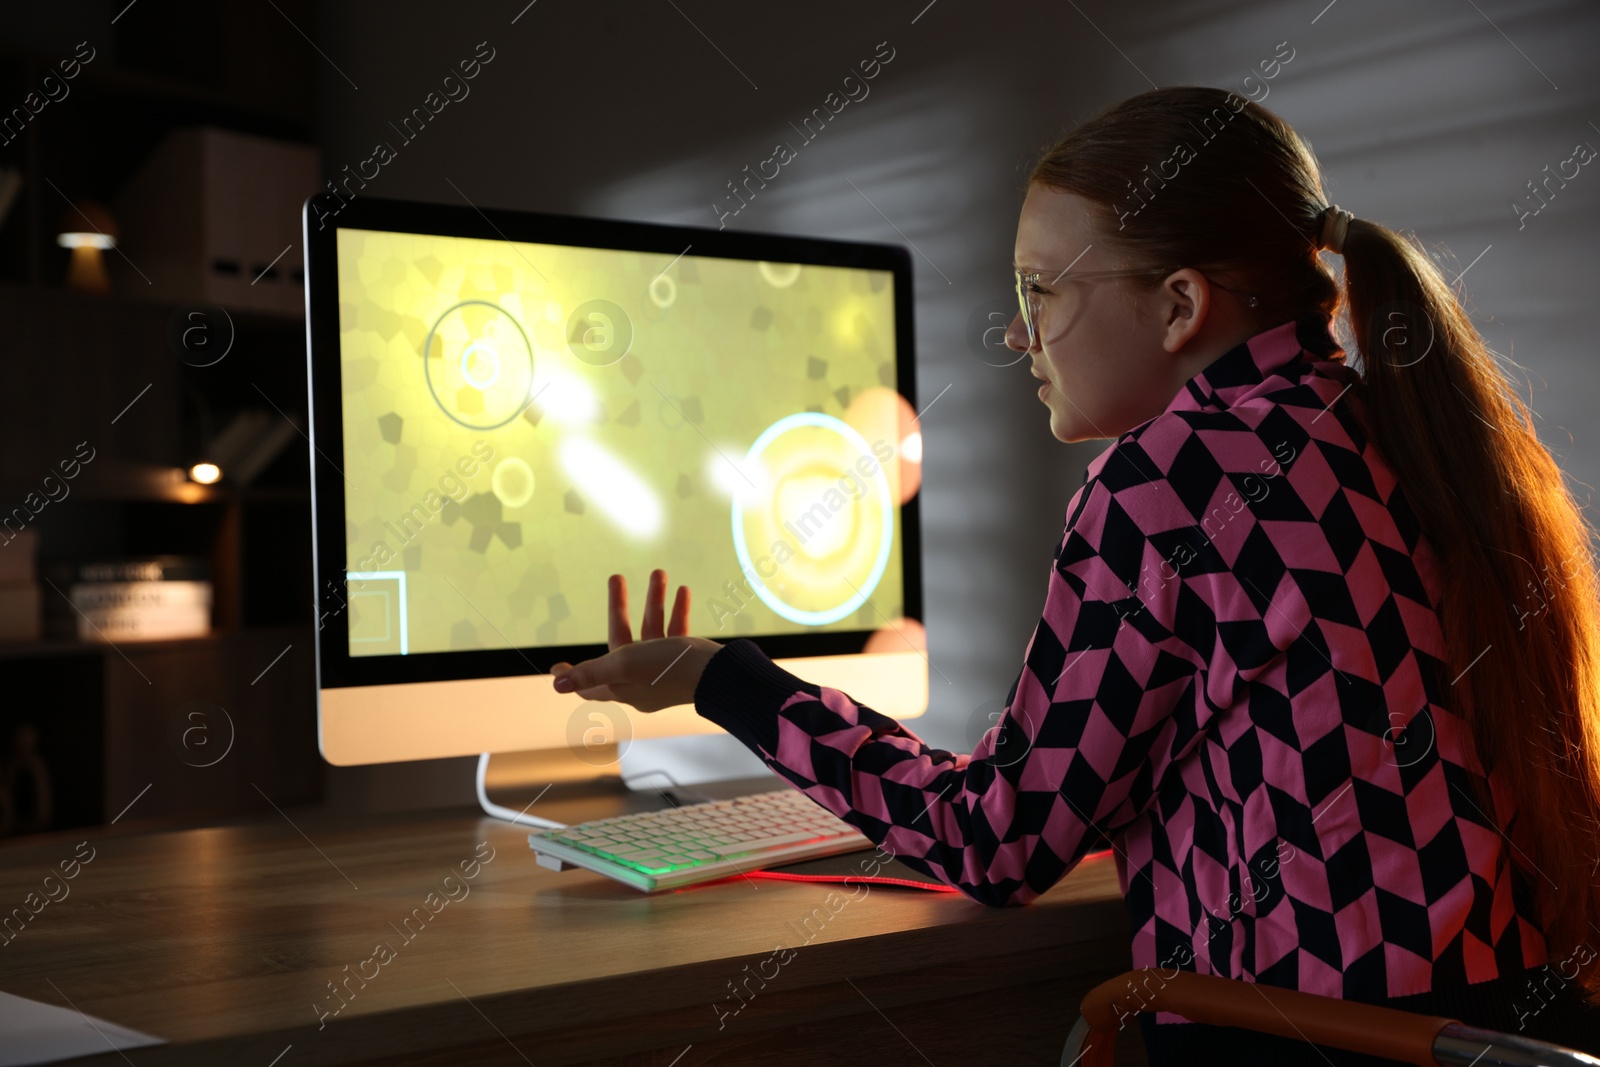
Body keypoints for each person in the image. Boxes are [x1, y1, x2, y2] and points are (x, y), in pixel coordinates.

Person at [549, 86, 1600, 1063]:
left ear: (1180, 304)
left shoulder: (1168, 477)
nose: (1017, 332)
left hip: (1316, 1041)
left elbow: (996, 842)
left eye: (1039, 289)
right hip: (1503, 1029)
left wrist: (719, 677)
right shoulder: (1390, 423)